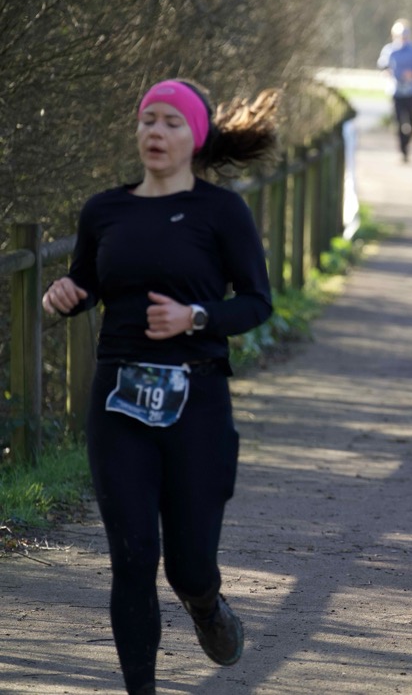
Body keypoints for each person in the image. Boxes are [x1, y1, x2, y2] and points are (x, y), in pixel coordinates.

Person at [41, 79, 278, 694]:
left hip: (196, 399)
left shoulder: (221, 211)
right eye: (148, 119)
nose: (156, 132)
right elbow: (86, 282)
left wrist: (194, 317)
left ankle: (206, 605)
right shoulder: (104, 210)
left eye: (172, 122)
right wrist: (65, 295)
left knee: (188, 566)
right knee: (133, 555)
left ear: (194, 137)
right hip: (119, 398)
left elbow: (256, 302)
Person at [377, 18, 412, 163]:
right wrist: (386, 71)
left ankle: (408, 142)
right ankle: (403, 150)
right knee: (399, 122)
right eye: (400, 36)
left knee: (411, 123)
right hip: (396, 92)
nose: (402, 38)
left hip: (411, 92)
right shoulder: (389, 50)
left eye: (405, 36)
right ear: (394, 35)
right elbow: (382, 65)